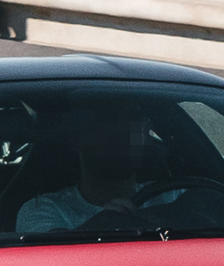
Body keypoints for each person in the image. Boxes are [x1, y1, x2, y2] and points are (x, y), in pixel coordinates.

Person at [17, 99, 182, 232]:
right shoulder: (44, 210)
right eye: (107, 125)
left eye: (131, 123)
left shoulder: (172, 196)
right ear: (77, 139)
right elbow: (54, 262)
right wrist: (106, 224)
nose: (121, 135)